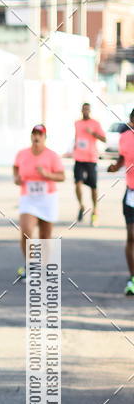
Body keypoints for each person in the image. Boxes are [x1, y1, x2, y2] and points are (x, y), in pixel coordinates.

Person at [13, 124, 65, 279]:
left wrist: (47, 174)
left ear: (44, 138)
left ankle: (44, 267)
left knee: (45, 236)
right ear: (31, 136)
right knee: (26, 231)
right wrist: (17, 178)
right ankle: (31, 266)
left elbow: (62, 176)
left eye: (40, 134)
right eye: (34, 134)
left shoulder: (52, 156)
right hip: (28, 197)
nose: (36, 137)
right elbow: (15, 168)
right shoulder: (22, 154)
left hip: (47, 198)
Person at [108, 108, 134, 296]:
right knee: (132, 235)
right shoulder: (125, 137)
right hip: (131, 193)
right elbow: (121, 160)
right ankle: (132, 278)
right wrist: (114, 167)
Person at [73, 102, 106, 225]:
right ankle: (81, 206)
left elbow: (104, 138)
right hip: (79, 158)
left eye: (88, 109)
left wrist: (93, 133)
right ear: (81, 110)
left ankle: (95, 210)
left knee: (93, 187)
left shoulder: (95, 124)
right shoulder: (77, 123)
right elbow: (77, 137)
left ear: (90, 110)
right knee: (77, 184)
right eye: (84, 109)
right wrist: (74, 148)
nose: (85, 111)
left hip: (91, 159)